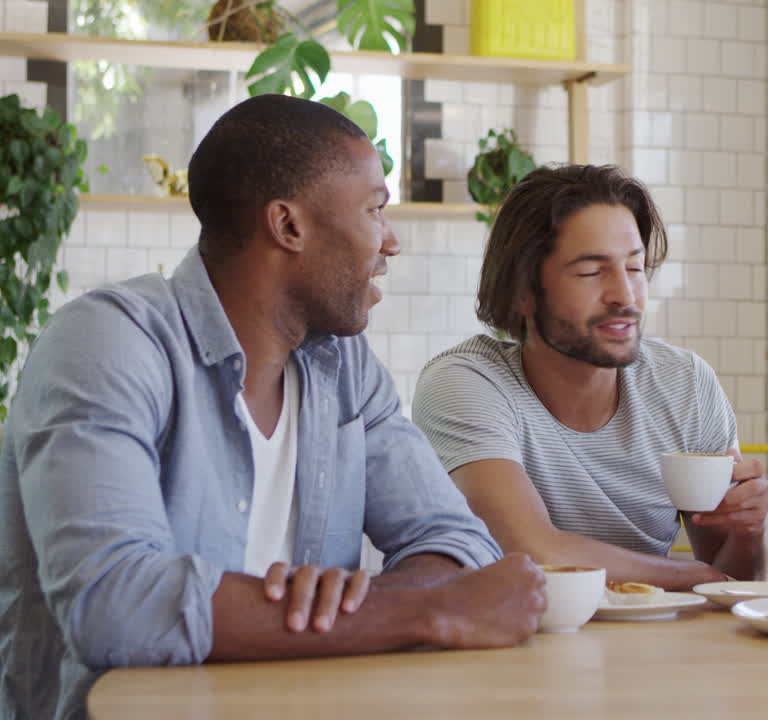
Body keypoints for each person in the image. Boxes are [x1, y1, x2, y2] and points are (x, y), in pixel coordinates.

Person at [0, 95, 546, 720]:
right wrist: (427, 610)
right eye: (375, 210)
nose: (391, 241)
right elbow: (114, 606)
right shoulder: (107, 342)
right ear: (288, 226)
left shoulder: (346, 367)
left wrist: (392, 604)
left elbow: (453, 539)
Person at [413, 164, 768, 590]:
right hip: (508, 644)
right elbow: (532, 553)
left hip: (650, 647)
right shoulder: (466, 383)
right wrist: (691, 577)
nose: (625, 295)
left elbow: (733, 584)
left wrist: (747, 531)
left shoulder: (685, 384)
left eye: (635, 268)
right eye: (590, 272)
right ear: (522, 290)